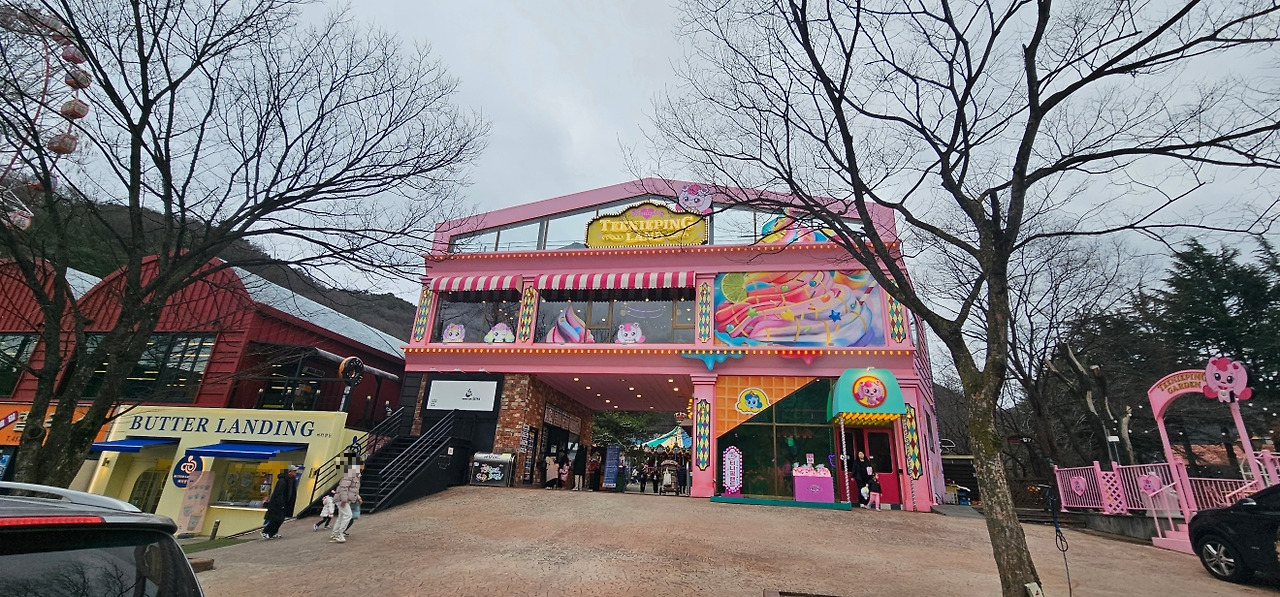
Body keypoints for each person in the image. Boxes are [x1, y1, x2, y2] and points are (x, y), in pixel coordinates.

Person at [261, 465, 297, 539]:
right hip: (279, 504)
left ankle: (273, 532)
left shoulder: (291, 480)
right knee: (276, 519)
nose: (295, 473)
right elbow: (278, 493)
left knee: (280, 519)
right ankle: (266, 531)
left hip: (286, 503)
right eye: (294, 471)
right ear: (289, 472)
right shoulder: (282, 481)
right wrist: (281, 504)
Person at [330, 464, 361, 544]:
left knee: (341, 516)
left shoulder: (354, 476)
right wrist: (344, 500)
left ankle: (335, 534)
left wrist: (358, 497)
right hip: (341, 499)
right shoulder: (350, 475)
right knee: (348, 515)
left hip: (343, 499)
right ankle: (340, 533)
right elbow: (343, 488)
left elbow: (352, 490)